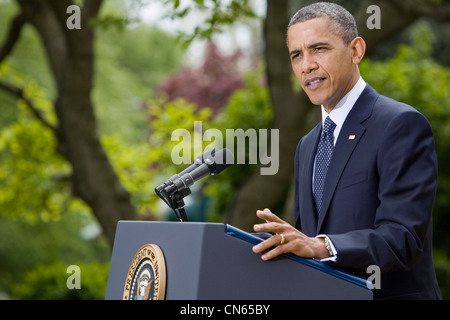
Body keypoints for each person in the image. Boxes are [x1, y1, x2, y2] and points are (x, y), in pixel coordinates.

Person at [252, 2, 441, 300]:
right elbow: (307, 244)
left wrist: (321, 245)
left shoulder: (400, 125)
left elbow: (403, 239)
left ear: (356, 51)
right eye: (296, 55)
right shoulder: (307, 145)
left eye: (319, 49)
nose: (307, 65)